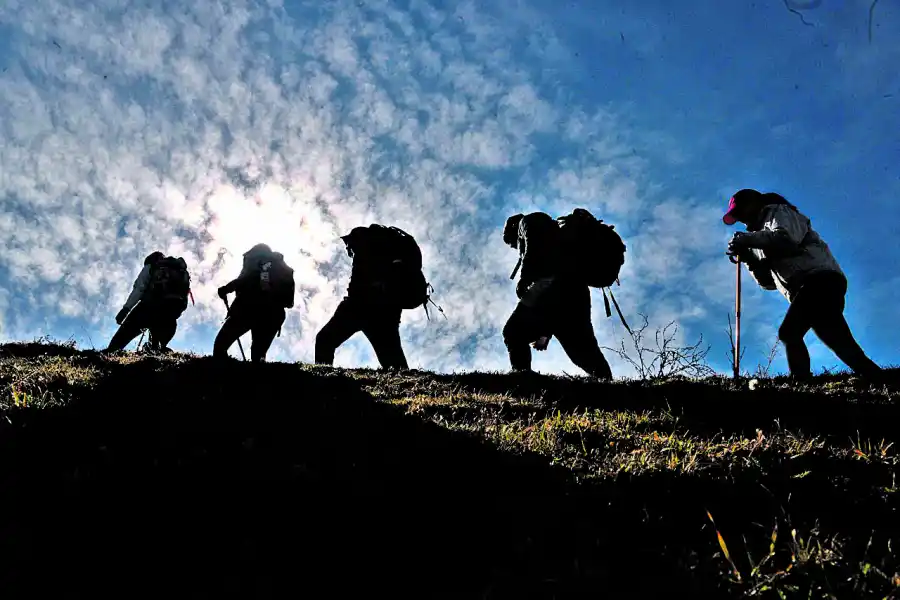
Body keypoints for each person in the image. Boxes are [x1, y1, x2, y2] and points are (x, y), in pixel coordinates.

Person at [724, 188, 882, 380]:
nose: (740, 218)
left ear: (754, 203)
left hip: (820, 279)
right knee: (839, 342)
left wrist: (747, 239)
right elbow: (767, 282)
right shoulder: (759, 237)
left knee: (789, 332)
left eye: (740, 212)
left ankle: (801, 382)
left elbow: (786, 239)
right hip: (808, 288)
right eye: (736, 215)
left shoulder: (778, 212)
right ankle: (878, 377)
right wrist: (749, 257)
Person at [501, 212, 614, 379]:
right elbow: (554, 315)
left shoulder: (529, 221)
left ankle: (523, 382)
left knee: (513, 332)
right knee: (582, 351)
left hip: (551, 285)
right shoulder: (552, 230)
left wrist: (525, 278)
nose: (514, 246)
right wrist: (545, 333)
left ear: (512, 227)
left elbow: (533, 245)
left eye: (511, 242)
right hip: (575, 291)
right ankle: (611, 389)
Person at [315, 225, 426, 369]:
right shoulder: (385, 245)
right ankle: (409, 389)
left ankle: (321, 382)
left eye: (349, 244)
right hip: (386, 310)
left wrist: (353, 297)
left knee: (325, 340)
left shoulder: (366, 243)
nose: (350, 248)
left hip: (361, 306)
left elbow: (361, 279)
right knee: (394, 363)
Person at [214, 243, 295, 362]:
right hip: (274, 315)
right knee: (258, 354)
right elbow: (289, 303)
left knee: (220, 346)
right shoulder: (281, 268)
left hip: (248, 309)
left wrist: (226, 289)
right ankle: (257, 377)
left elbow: (244, 279)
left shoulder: (258, 262)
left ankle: (221, 375)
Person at [105, 252, 191, 353]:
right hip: (170, 313)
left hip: (148, 308)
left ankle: (109, 353)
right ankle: (156, 353)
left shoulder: (152, 266)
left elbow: (139, 289)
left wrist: (126, 309)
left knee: (122, 336)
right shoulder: (179, 271)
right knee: (156, 347)